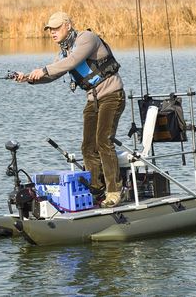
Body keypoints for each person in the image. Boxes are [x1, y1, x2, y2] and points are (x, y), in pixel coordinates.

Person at [16, 11, 125, 208]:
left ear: (68, 25)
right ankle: (96, 190)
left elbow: (72, 62)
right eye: (50, 30)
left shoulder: (86, 39)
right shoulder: (63, 53)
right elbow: (53, 74)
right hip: (93, 100)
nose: (53, 33)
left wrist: (45, 69)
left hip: (112, 95)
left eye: (56, 28)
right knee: (87, 147)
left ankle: (115, 191)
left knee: (103, 141)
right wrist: (27, 79)